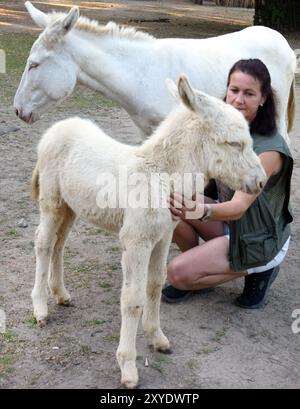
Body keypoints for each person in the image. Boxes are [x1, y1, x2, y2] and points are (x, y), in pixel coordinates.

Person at [162, 58, 293, 309]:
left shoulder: (268, 149)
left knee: (176, 274)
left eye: (249, 93)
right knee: (170, 201)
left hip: (258, 235)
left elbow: (238, 208)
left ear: (263, 98)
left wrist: (198, 210)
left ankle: (260, 270)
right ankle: (200, 272)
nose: (238, 100)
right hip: (230, 223)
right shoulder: (222, 128)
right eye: (234, 90)